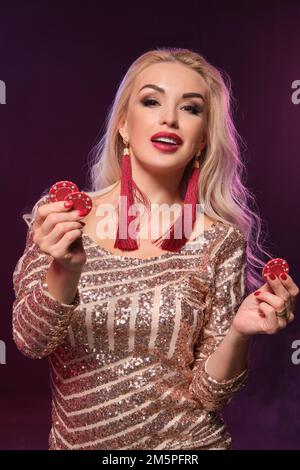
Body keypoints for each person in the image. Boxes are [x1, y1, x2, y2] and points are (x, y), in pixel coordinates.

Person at [12, 47, 299, 450]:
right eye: (152, 101)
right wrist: (66, 268)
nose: (169, 118)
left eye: (191, 109)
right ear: (124, 125)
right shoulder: (61, 218)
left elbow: (210, 395)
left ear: (201, 140)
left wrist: (239, 331)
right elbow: (30, 341)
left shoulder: (220, 241)